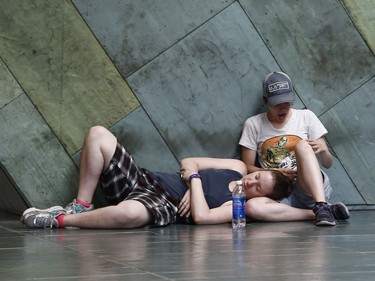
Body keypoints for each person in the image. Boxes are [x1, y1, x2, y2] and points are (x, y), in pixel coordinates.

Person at [21, 125, 292, 229]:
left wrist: (194, 182)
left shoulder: (236, 206)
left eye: (257, 188)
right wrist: (191, 179)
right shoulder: (237, 167)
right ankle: (82, 204)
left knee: (129, 214)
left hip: (162, 202)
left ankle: (60, 220)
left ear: (262, 198)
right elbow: (188, 161)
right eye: (258, 178)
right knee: (97, 134)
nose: (251, 183)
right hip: (146, 179)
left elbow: (201, 217)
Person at [239, 71, 350, 226]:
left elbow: (327, 163)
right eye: (276, 103)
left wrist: (323, 150)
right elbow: (246, 168)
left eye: (287, 102)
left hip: (308, 186)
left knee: (303, 145)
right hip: (277, 192)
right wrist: (275, 173)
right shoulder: (253, 124)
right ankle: (320, 213)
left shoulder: (306, 117)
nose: (282, 108)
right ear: (266, 100)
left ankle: (321, 205)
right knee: (251, 207)